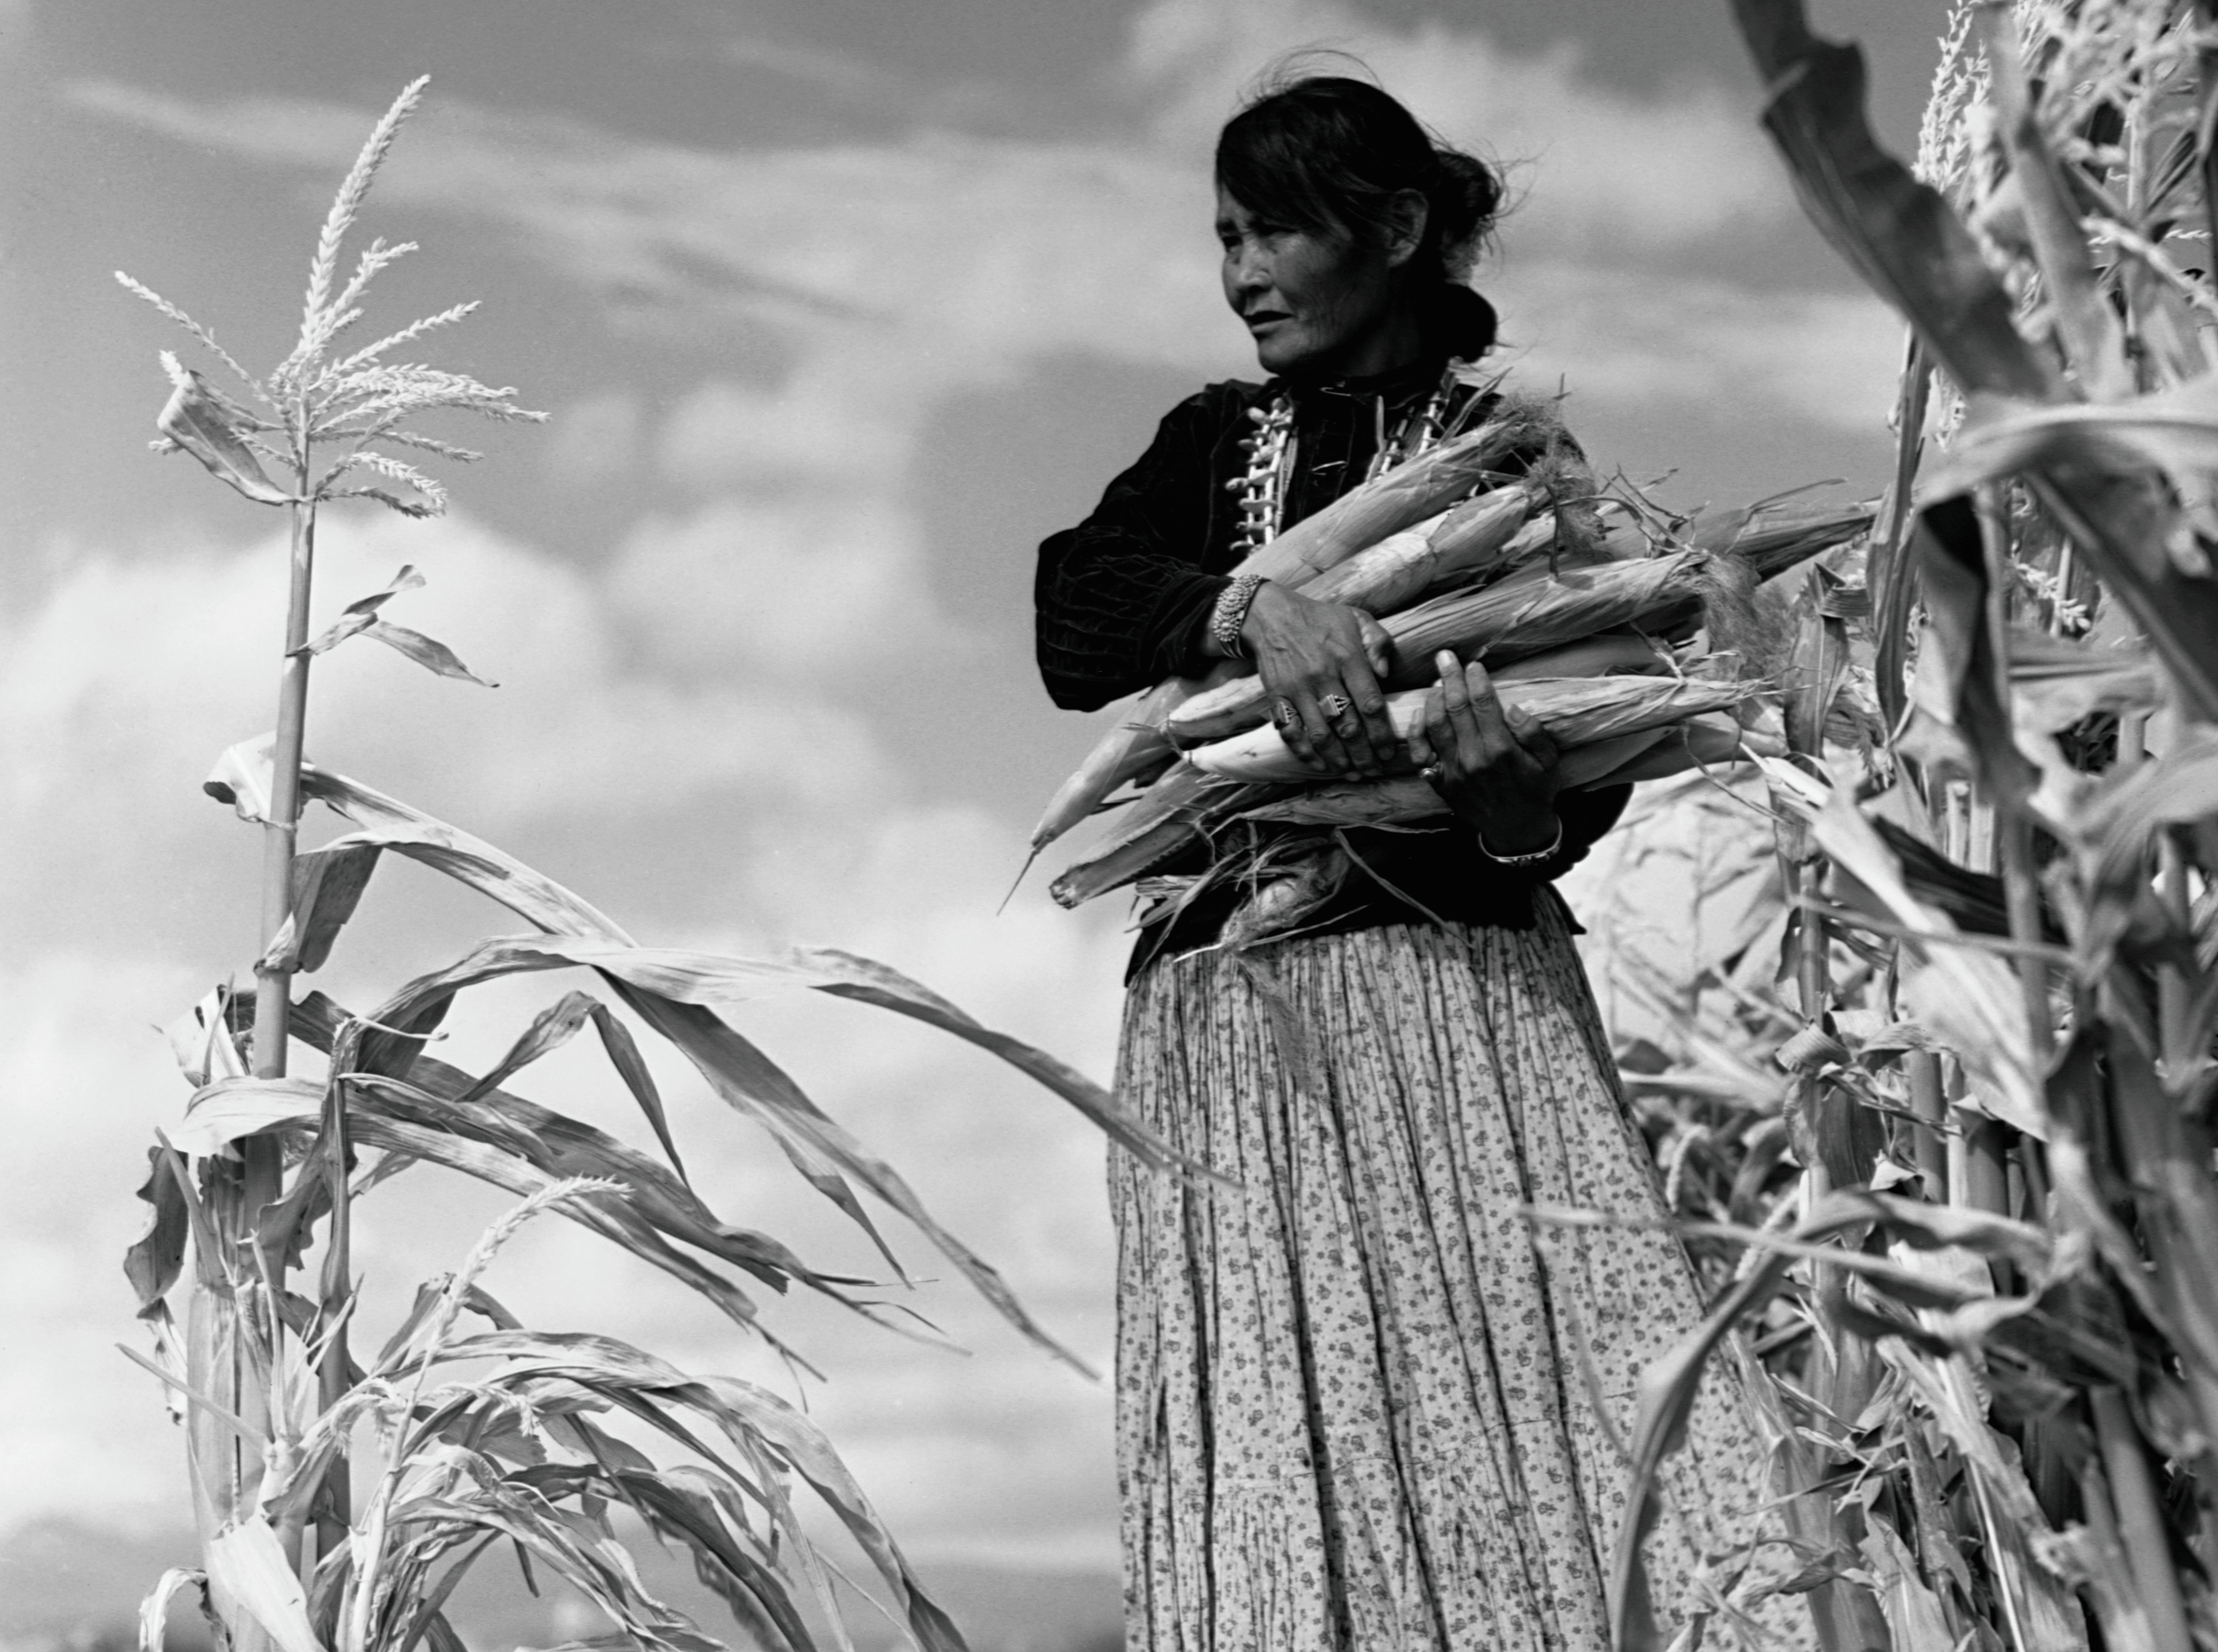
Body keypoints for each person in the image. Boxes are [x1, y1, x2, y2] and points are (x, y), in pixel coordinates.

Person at [1034, 74, 1814, 1651]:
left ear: (1392, 231)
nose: (1239, 269)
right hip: (1233, 1023)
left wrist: (1508, 792)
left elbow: (1564, 809)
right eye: (1224, 235)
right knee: (1273, 1452)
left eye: (1272, 231)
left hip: (1470, 1009)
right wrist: (1256, 608)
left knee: (1571, 1429)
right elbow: (1075, 609)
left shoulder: (1520, 474)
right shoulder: (1212, 445)